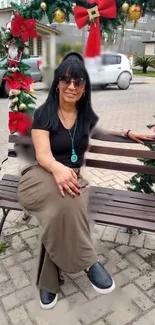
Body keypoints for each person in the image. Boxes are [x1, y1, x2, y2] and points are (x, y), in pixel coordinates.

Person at [9, 52, 155, 310]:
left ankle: (48, 283)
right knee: (66, 203)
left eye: (78, 81)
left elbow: (100, 130)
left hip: (71, 180)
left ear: (84, 87)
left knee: (59, 211)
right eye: (66, 79)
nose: (71, 86)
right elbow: (43, 155)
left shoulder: (84, 114)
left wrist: (127, 132)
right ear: (57, 82)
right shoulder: (45, 113)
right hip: (39, 176)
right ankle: (89, 263)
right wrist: (58, 168)